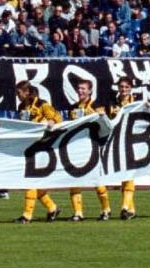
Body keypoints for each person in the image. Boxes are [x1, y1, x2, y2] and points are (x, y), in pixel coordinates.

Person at [63, 79, 112, 222]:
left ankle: (106, 209)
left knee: (97, 180)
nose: (80, 91)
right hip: (75, 149)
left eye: (83, 89)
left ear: (90, 91)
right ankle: (78, 213)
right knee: (74, 181)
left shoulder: (97, 107)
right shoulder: (72, 107)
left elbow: (106, 126)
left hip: (93, 148)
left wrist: (102, 116)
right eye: (79, 88)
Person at [14, 80, 62, 223]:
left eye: (19, 93)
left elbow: (58, 118)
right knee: (33, 182)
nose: (18, 96)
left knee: (30, 180)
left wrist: (52, 122)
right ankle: (52, 207)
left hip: (42, 147)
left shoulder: (42, 104)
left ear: (27, 92)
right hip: (28, 146)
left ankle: (27, 215)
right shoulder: (21, 106)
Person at [108, 77, 143, 219]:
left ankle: (124, 207)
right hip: (117, 143)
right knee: (124, 174)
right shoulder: (111, 103)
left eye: (126, 87)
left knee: (128, 173)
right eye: (121, 87)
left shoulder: (137, 103)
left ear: (131, 88)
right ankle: (131, 210)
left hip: (133, 142)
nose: (123, 90)